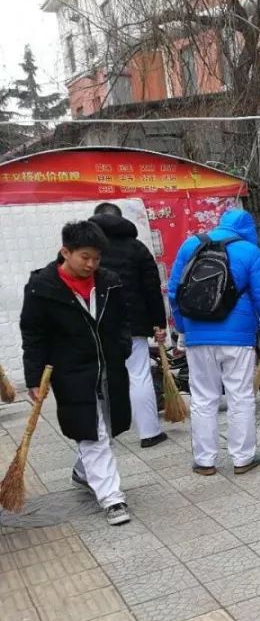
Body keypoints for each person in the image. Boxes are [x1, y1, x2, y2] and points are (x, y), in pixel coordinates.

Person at [21, 221, 133, 526]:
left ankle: (83, 472)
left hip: (109, 368)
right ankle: (112, 499)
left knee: (105, 428)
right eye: (85, 257)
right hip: (71, 373)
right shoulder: (41, 289)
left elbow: (123, 320)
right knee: (93, 432)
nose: (91, 264)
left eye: (96, 258)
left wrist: (122, 347)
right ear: (65, 252)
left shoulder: (109, 282)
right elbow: (33, 335)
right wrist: (33, 378)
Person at [167, 208, 260, 476]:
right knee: (240, 395)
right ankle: (243, 458)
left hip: (197, 336)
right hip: (237, 337)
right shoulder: (250, 253)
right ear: (249, 230)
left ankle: (204, 460)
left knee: (203, 397)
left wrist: (182, 330)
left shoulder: (191, 245)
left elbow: (174, 291)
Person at [91, 202, 169, 449]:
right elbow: (151, 290)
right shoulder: (137, 248)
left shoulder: (87, 250)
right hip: (132, 324)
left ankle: (101, 436)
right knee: (138, 375)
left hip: (95, 324)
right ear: (121, 220)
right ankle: (149, 432)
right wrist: (159, 322)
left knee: (98, 379)